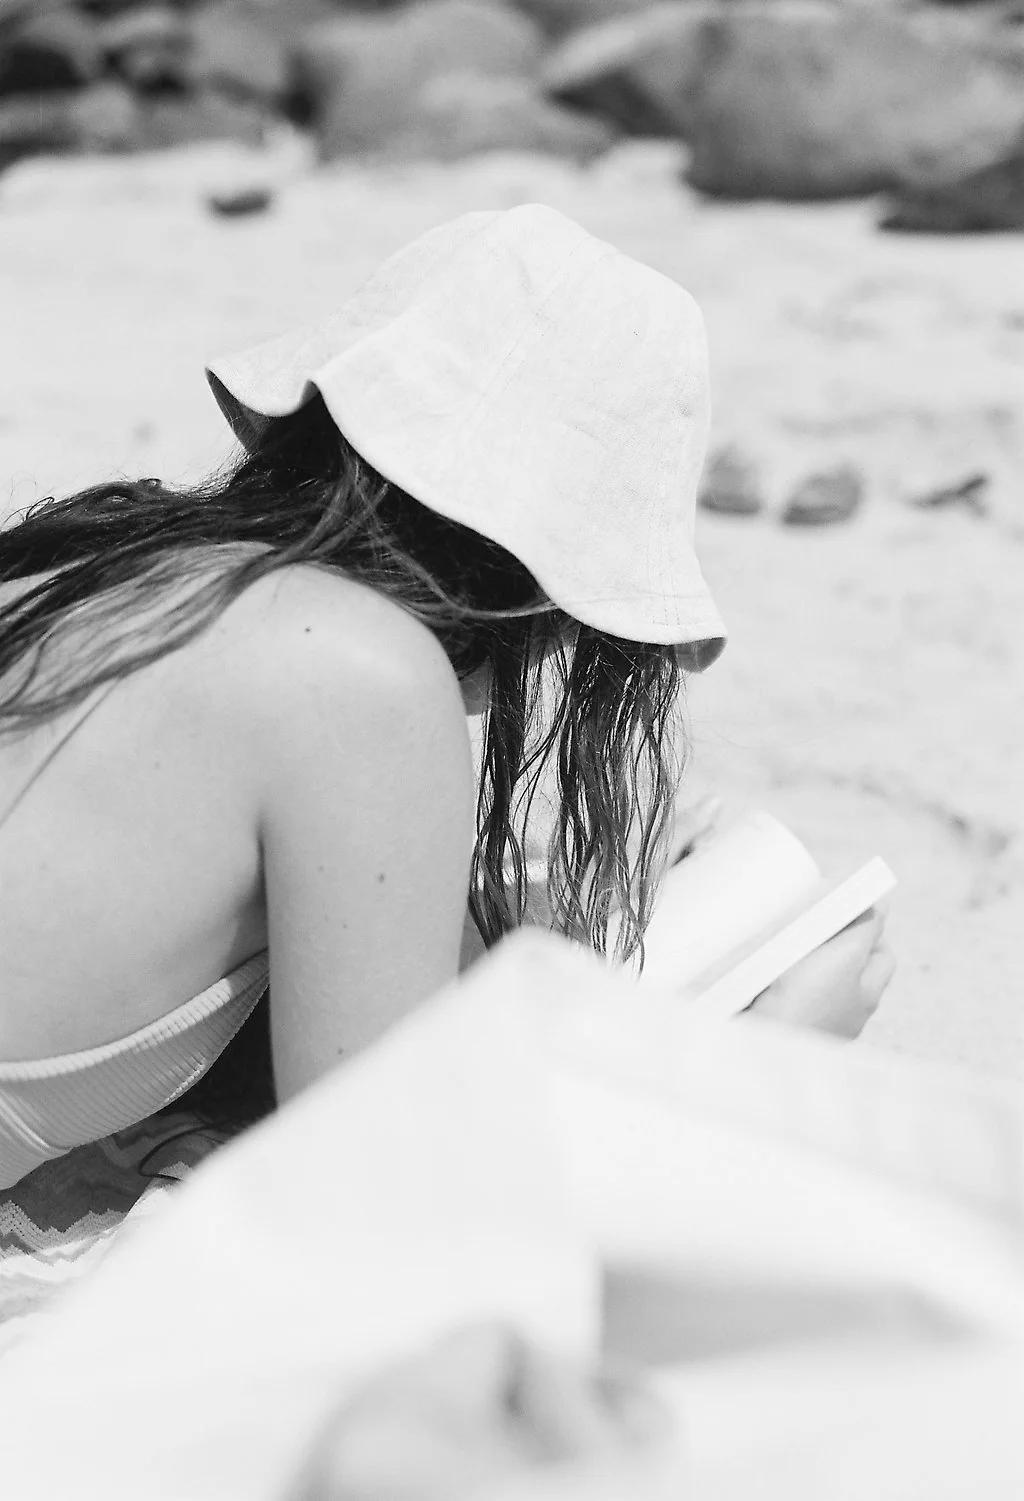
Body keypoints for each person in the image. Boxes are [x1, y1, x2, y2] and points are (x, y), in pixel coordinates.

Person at [0, 205, 892, 1193]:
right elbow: (374, 1200)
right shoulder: (361, 676)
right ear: (545, 585)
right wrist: (762, 1059)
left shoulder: (109, 562)